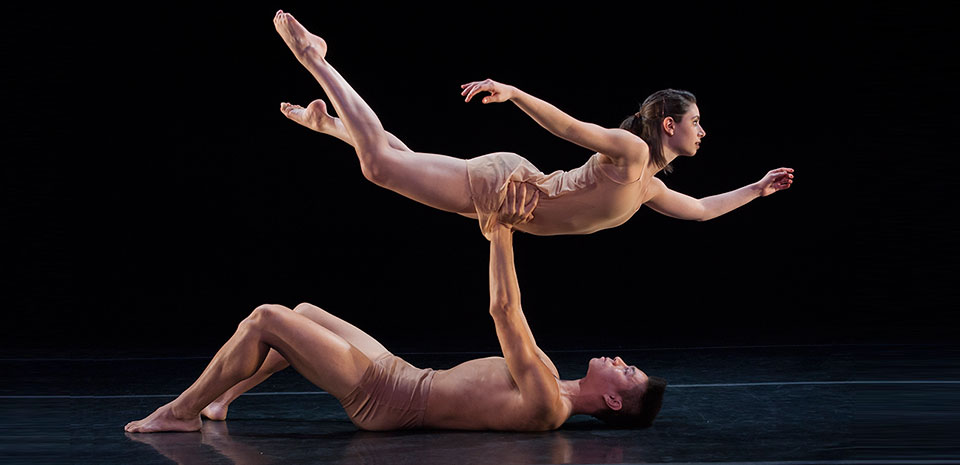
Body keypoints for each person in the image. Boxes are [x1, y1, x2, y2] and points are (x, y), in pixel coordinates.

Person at [123, 186, 667, 433]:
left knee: (267, 318)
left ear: (615, 399)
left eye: (627, 370)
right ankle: (221, 402)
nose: (619, 359)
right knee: (304, 310)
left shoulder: (549, 402)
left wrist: (500, 229)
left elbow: (504, 310)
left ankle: (182, 412)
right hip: (404, 374)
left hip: (387, 399)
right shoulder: (551, 379)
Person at [271, 11, 794, 240]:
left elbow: (701, 210)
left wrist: (758, 188)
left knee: (397, 162)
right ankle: (316, 58)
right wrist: (516, 93)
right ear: (669, 125)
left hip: (506, 196)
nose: (704, 132)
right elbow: (568, 128)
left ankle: (332, 126)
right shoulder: (630, 152)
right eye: (697, 123)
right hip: (510, 186)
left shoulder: (647, 187)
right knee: (381, 168)